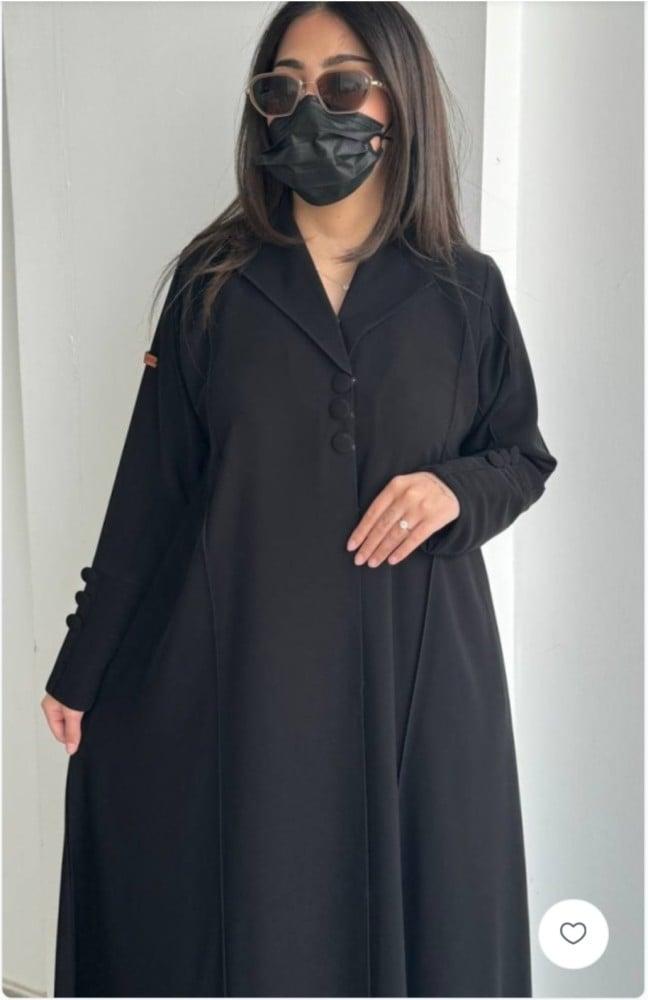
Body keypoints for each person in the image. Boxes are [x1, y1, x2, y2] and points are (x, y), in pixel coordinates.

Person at [41, 2, 558, 996]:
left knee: (430, 921)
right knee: (251, 920)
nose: (311, 108)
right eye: (284, 87)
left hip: (416, 678)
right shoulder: (216, 283)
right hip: (244, 672)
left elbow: (521, 456)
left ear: (400, 101)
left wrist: (453, 490)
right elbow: (154, 490)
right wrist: (85, 660)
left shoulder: (467, 292)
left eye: (344, 82)